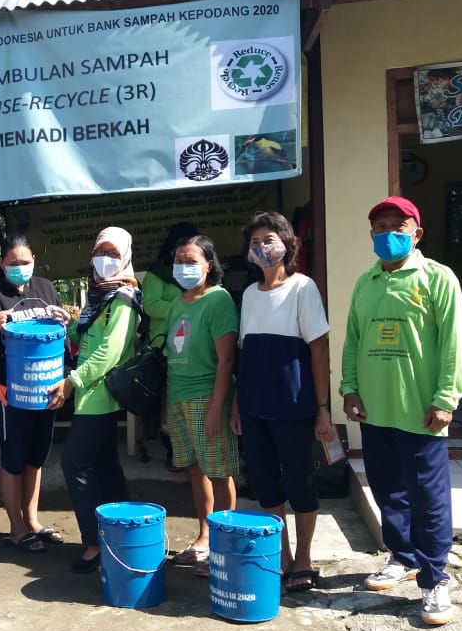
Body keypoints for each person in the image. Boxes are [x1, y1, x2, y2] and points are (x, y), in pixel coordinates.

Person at [340, 196, 462, 626]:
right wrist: (350, 388)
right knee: (387, 489)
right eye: (380, 227)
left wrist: (446, 398)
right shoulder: (366, 282)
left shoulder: (437, 279)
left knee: (428, 500)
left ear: (417, 233)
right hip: (375, 410)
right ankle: (403, 557)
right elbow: (353, 338)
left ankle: (435, 580)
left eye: (398, 226)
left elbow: (452, 343)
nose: (388, 234)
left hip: (420, 413)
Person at [231, 212, 334, 593]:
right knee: (265, 483)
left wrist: (322, 407)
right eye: (255, 242)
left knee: (300, 482)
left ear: (287, 244)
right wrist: (237, 405)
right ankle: (284, 555)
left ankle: (304, 558)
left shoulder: (302, 287)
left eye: (269, 239)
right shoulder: (248, 295)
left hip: (293, 407)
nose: (262, 247)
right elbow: (245, 354)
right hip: (254, 408)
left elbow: (318, 350)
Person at [47, 227, 142, 573]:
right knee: (105, 466)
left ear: (127, 257)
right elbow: (82, 334)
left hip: (100, 396)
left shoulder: (124, 299)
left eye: (113, 254)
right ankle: (124, 534)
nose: (106, 260)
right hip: (90, 395)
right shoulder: (99, 296)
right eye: (100, 251)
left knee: (75, 464)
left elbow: (110, 352)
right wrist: (63, 323)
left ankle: (93, 542)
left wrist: (72, 381)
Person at [0, 235, 71, 553]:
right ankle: (15, 527)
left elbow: (56, 337)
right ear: (2, 263)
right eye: (13, 263)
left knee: (36, 455)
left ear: (34, 261)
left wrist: (65, 323)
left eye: (25, 262)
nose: (20, 268)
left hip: (43, 386)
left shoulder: (45, 289)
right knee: (13, 457)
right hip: (7, 390)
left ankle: (32, 520)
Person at [164, 234, 239, 576]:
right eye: (179, 260)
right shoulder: (179, 301)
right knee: (194, 469)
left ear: (209, 265)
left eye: (191, 261)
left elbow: (226, 361)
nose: (184, 267)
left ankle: (225, 548)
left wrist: (215, 409)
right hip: (177, 396)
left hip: (205, 396)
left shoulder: (219, 300)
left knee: (218, 472)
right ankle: (204, 537)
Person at [140, 221, 194, 470]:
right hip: (165, 347)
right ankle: (173, 450)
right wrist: (182, 308)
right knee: (169, 402)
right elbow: (149, 305)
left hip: (196, 347)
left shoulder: (200, 273)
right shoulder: (157, 273)